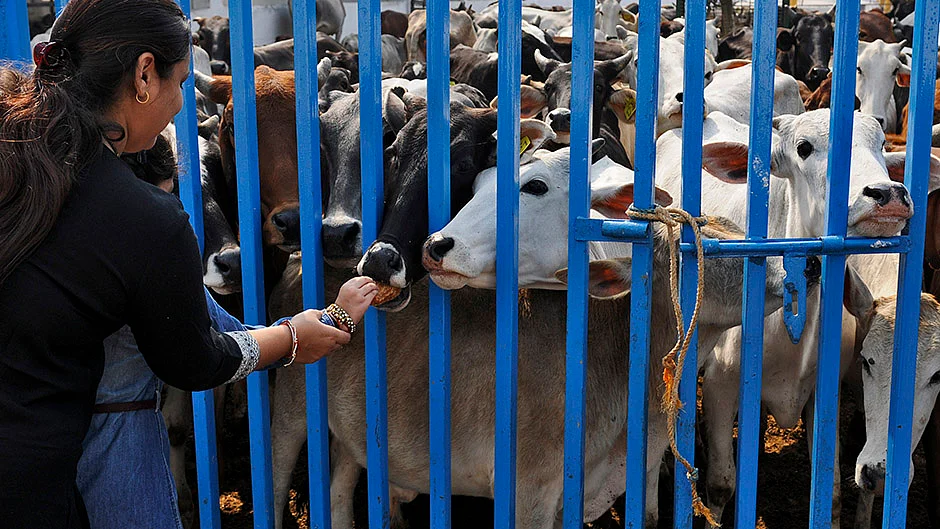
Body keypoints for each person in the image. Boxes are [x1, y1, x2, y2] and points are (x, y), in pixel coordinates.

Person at [0, 0, 375, 527]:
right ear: (144, 74)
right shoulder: (144, 220)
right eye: (179, 82)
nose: (181, 104)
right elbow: (194, 359)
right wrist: (294, 336)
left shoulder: (18, 156)